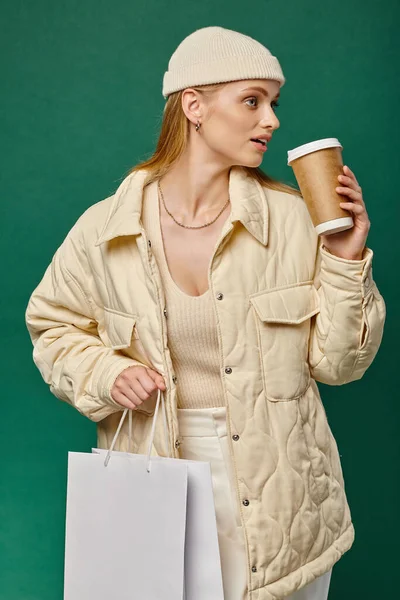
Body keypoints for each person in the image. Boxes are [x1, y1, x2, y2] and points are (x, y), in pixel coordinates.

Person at [25, 25, 386, 600]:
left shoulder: (294, 220)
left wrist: (344, 261)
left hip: (284, 500)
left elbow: (340, 365)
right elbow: (52, 325)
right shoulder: (106, 229)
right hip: (153, 472)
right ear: (193, 105)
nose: (271, 120)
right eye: (252, 100)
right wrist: (107, 372)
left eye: (273, 104)